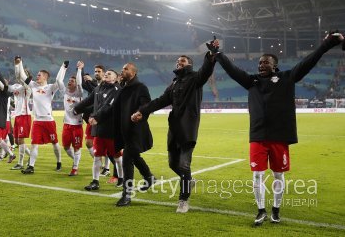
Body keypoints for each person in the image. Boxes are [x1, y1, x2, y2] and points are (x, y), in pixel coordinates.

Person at [211, 32, 344, 225]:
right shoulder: (251, 82)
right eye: (259, 63)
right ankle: (260, 210)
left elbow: (309, 61)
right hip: (257, 136)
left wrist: (327, 43)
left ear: (275, 65)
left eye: (266, 62)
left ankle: (276, 210)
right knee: (257, 175)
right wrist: (219, 54)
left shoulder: (287, 78)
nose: (261, 65)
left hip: (279, 137)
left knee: (278, 175)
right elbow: (233, 70)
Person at [133, 51, 216, 213]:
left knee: (184, 165)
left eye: (183, 61)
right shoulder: (174, 83)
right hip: (174, 129)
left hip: (188, 129)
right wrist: (142, 111)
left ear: (189, 64)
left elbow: (205, 71)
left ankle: (183, 200)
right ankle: (189, 180)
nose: (179, 62)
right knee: (173, 164)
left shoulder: (195, 79)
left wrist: (210, 57)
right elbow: (160, 101)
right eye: (178, 61)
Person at [107, 63, 156, 207]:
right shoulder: (123, 88)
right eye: (122, 69)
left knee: (127, 159)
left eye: (126, 69)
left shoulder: (141, 87)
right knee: (134, 156)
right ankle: (149, 177)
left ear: (133, 73)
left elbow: (146, 105)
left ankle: (126, 195)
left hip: (135, 130)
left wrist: (140, 113)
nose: (122, 70)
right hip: (124, 130)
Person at [74, 69, 123, 191]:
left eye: (110, 74)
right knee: (97, 156)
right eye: (106, 73)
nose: (106, 74)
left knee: (117, 157)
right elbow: (88, 100)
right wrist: (77, 108)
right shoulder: (99, 88)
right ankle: (95, 181)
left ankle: (122, 178)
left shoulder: (117, 90)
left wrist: (96, 117)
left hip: (112, 130)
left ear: (116, 78)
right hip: (99, 129)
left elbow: (108, 106)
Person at [15, 57, 65, 174]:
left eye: (39, 75)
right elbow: (23, 76)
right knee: (34, 144)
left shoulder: (51, 87)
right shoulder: (33, 86)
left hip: (49, 121)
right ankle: (31, 166)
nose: (37, 76)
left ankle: (59, 161)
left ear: (45, 77)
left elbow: (59, 80)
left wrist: (63, 67)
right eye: (37, 75)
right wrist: (20, 63)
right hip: (37, 121)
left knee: (55, 143)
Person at [82, 65, 116, 180]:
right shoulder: (95, 86)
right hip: (93, 119)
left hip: (105, 121)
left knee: (112, 150)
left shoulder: (110, 87)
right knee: (91, 144)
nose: (96, 73)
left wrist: (92, 82)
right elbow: (85, 88)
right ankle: (103, 171)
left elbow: (105, 103)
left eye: (99, 71)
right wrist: (80, 70)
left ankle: (111, 171)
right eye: (95, 71)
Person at [58, 61, 85, 176]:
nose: (69, 82)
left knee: (77, 147)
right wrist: (63, 67)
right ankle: (76, 160)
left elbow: (79, 83)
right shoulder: (65, 91)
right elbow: (59, 80)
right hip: (67, 124)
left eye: (72, 81)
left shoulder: (79, 93)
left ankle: (75, 167)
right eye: (69, 80)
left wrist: (79, 70)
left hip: (77, 125)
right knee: (66, 147)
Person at [9, 78, 33, 170]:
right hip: (17, 115)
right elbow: (7, 88)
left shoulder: (27, 88)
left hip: (24, 115)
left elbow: (25, 85)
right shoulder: (16, 86)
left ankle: (20, 163)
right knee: (16, 141)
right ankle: (31, 155)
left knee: (21, 140)